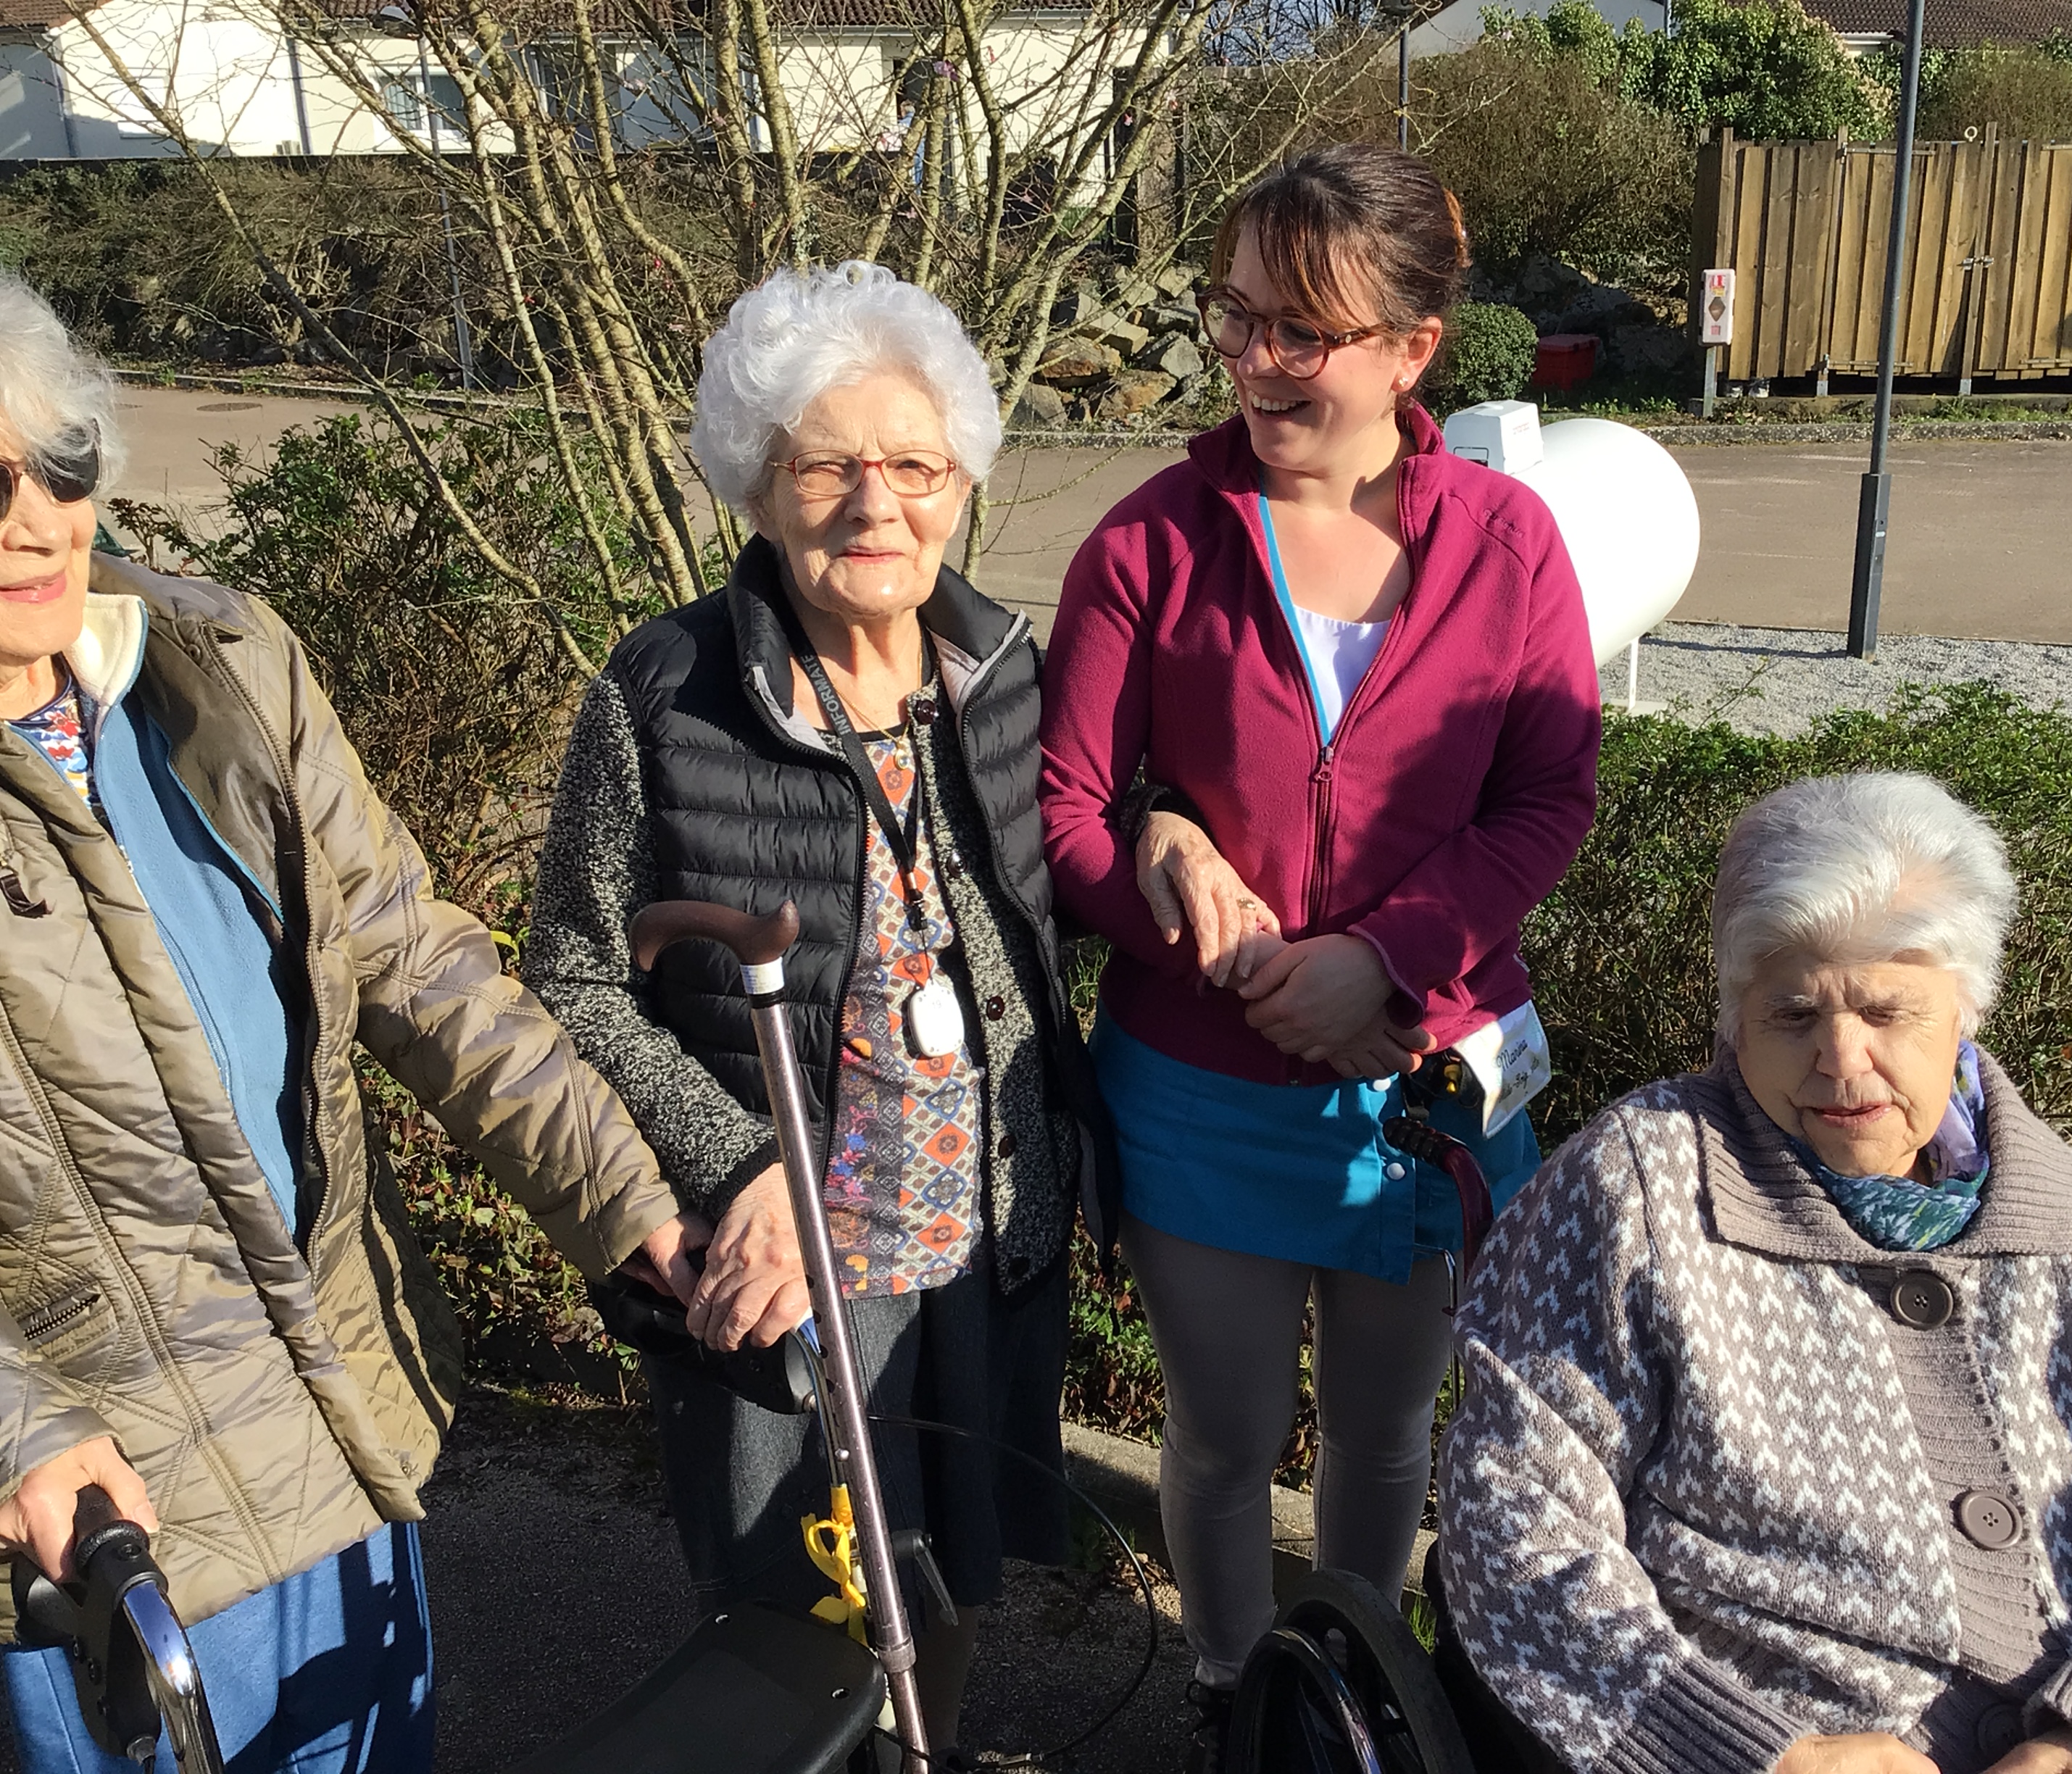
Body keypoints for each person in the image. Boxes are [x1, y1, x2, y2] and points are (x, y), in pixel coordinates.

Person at [0, 270, 696, 1772]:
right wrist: (19, 1435)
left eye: (58, 462)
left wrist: (629, 1204)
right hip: (102, 1522)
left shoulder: (220, 666)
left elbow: (416, 963)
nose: (32, 520)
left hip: (333, 1424)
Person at [1037, 143, 1602, 1762]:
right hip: (1202, 1089)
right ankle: (1233, 1698)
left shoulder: (1509, 543)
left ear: (1415, 348)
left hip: (1428, 1079)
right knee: (1219, 1443)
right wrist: (1223, 943)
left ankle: (1357, 1701)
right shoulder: (1147, 547)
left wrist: (1389, 963)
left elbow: (1550, 796)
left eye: (1306, 331)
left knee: (1385, 1434)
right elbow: (1066, 810)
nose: (1257, 360)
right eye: (1237, 316)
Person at [522, 259, 1110, 1756]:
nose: (875, 505)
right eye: (826, 467)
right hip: (792, 1262)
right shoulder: (667, 690)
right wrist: (738, 1164)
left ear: (963, 482)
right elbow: (572, 974)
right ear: (759, 484)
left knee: (943, 1582)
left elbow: (1081, 871)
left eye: (914, 466)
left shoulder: (1004, 673)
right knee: (795, 1620)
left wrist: (1175, 840)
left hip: (983, 1236)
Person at [1436, 771, 2072, 1774]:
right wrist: (1751, 1751)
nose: (1842, 1061)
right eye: (1793, 1014)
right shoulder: (1636, 1191)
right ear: (1735, 1016)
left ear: (1966, 1009)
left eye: (1888, 1013)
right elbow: (1515, 1518)